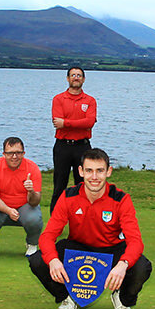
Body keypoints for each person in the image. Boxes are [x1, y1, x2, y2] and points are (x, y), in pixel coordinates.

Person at [29, 148, 153, 309]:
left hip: (111, 249)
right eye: (89, 171)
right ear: (80, 172)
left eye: (100, 171)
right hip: (78, 248)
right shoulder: (68, 196)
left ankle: (122, 298)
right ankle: (67, 296)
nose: (94, 177)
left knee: (141, 266)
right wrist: (53, 260)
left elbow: (136, 241)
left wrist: (122, 265)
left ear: (108, 172)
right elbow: (47, 236)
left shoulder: (121, 199)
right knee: (38, 260)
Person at [0, 137, 43, 258]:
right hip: (1, 205)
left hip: (25, 205)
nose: (14, 156)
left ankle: (32, 244)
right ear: (4, 154)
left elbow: (35, 202)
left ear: (24, 153)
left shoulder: (33, 168)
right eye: (10, 153)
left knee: (35, 218)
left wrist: (31, 191)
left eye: (18, 153)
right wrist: (8, 210)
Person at [50, 66, 97, 211]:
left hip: (82, 147)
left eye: (79, 75)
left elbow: (89, 122)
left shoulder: (90, 100)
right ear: (68, 78)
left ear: (83, 79)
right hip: (63, 146)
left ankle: (84, 219)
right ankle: (55, 223)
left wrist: (67, 123)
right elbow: (57, 123)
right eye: (73, 75)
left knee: (83, 184)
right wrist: (76, 123)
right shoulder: (58, 99)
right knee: (59, 185)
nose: (76, 78)